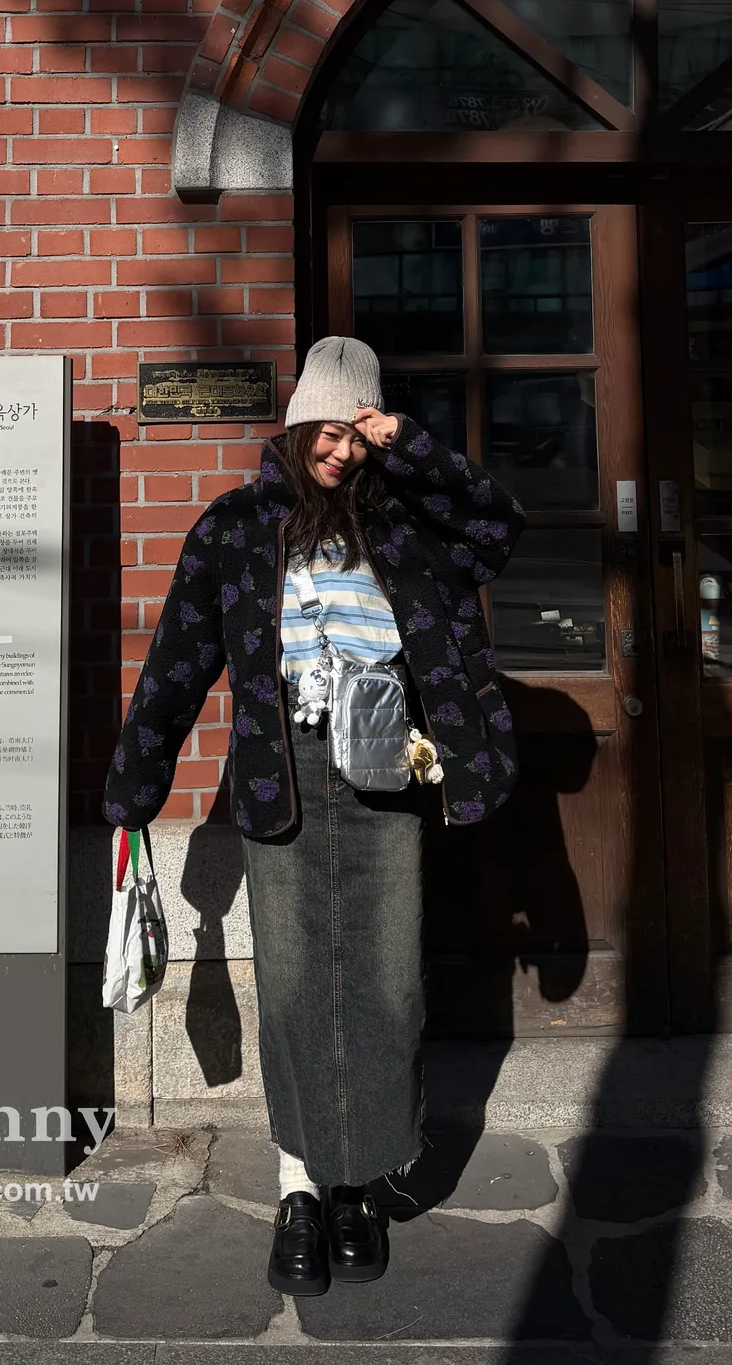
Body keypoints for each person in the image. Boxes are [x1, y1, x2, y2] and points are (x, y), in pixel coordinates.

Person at [103, 336, 524, 1296]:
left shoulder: (408, 521)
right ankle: (299, 1186)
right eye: (327, 430)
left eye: (358, 433)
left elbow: (498, 526)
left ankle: (359, 1188)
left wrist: (407, 441)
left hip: (386, 768)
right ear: (296, 427)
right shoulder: (235, 526)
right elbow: (177, 660)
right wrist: (133, 791)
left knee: (387, 984)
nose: (341, 450)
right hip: (280, 773)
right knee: (294, 986)